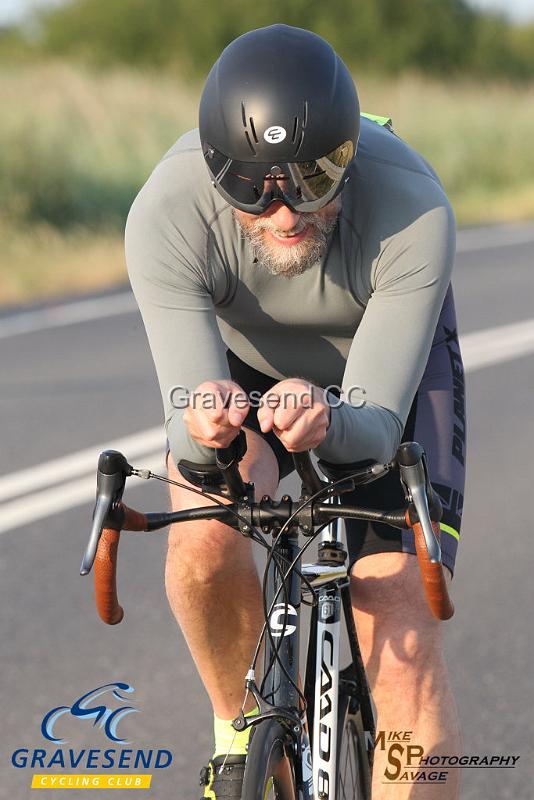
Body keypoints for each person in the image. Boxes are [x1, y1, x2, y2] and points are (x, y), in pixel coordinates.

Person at [126, 24, 465, 800]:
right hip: (248, 368)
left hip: (385, 379)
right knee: (204, 530)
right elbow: (186, 420)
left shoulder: (414, 209)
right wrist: (206, 425)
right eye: (252, 189)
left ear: (349, 156)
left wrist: (330, 419)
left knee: (398, 617)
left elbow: (376, 424)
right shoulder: (166, 212)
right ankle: (234, 739)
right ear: (216, 172)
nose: (285, 214)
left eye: (314, 181)